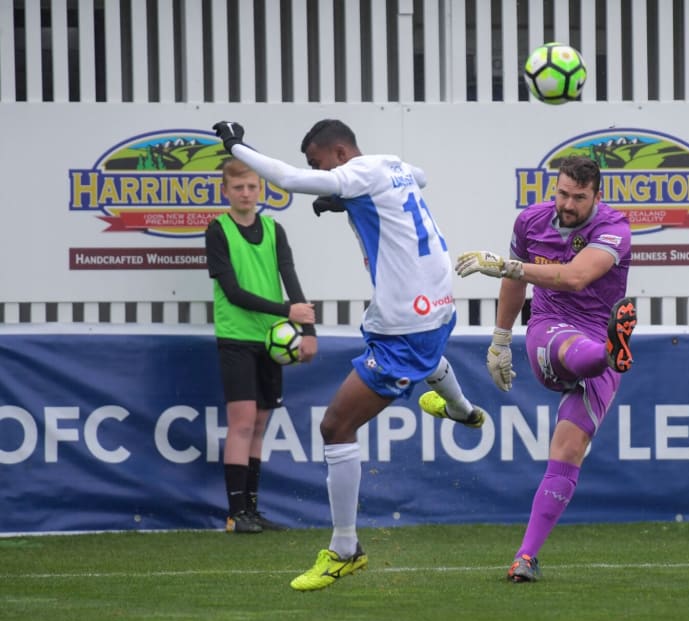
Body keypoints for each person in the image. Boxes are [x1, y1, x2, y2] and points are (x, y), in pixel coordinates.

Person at [211, 118, 484, 591]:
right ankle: (464, 410)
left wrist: (237, 144)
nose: (318, 172)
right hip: (439, 308)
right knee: (427, 363)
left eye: (320, 164)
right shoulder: (392, 165)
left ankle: (344, 550)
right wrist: (345, 200)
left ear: (338, 154)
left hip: (409, 326)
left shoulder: (357, 172)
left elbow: (290, 180)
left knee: (336, 427)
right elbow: (419, 179)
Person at [454, 155, 637, 583]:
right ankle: (608, 354)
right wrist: (501, 340)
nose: (568, 204)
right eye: (562, 193)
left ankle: (525, 558)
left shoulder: (615, 228)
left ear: (597, 195)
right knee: (571, 348)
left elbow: (574, 277)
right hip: (549, 329)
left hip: (599, 331)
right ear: (554, 188)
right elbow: (516, 283)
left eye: (579, 197)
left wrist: (505, 263)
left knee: (568, 451)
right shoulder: (531, 222)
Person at [206, 158, 319, 534]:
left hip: (272, 341)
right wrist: (288, 310)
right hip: (236, 338)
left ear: (261, 189)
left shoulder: (273, 228)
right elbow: (233, 292)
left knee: (258, 425)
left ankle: (252, 510)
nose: (246, 193)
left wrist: (308, 331)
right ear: (226, 191)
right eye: (238, 188)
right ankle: (235, 513)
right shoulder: (218, 230)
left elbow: (290, 277)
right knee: (240, 424)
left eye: (252, 187)